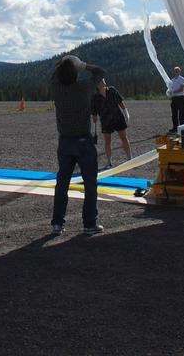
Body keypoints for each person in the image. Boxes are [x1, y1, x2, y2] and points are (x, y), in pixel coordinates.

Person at [51, 55, 105, 235]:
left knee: (62, 184)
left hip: (65, 142)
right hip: (83, 141)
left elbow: (53, 76)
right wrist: (84, 65)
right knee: (90, 184)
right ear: (76, 73)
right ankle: (89, 223)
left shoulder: (56, 89)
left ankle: (57, 224)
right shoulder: (83, 88)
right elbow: (100, 72)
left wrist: (64, 62)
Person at [91, 78, 131, 169]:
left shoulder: (112, 90)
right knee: (107, 141)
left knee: (124, 137)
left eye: (103, 79)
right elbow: (94, 113)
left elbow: (120, 102)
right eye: (100, 80)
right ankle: (109, 162)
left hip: (118, 118)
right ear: (97, 85)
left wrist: (126, 112)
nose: (103, 80)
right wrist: (94, 125)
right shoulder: (95, 97)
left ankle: (130, 159)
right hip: (106, 121)